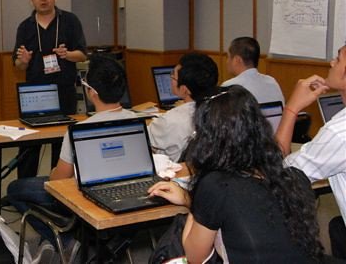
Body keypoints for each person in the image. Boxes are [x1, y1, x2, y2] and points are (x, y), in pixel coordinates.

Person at [149, 85, 324, 263]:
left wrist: (196, 199)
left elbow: (196, 258)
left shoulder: (215, 186)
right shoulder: (295, 178)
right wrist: (191, 199)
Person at [6, 54, 137, 241]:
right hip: (127, 193)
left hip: (87, 198)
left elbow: (58, 181)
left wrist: (53, 172)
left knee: (15, 189)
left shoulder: (79, 130)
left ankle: (66, 240)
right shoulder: (137, 121)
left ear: (92, 93)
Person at [276, 44, 346, 259]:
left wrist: (292, 108)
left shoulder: (339, 132)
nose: (331, 63)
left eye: (338, 59)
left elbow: (280, 172)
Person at [13, 0, 87, 178]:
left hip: (64, 90)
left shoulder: (70, 21)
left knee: (62, 145)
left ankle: (59, 187)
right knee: (29, 145)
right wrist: (24, 60)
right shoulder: (25, 27)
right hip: (34, 94)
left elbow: (82, 54)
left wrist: (67, 55)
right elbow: (18, 65)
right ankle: (24, 186)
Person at [148, 52, 218, 162]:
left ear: (185, 90)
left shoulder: (170, 120)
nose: (171, 79)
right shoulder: (220, 108)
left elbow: (145, 137)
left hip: (179, 170)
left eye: (173, 76)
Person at [222, 36, 285, 104]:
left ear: (237, 60)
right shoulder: (272, 81)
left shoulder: (229, 87)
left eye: (228, 57)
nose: (227, 61)